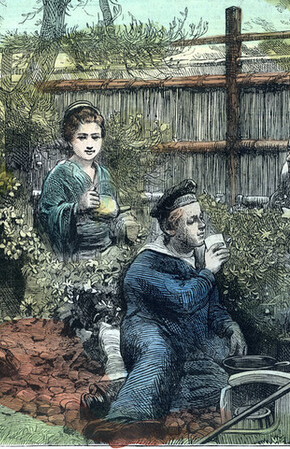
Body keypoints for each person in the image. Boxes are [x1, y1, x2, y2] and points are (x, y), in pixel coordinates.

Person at [98, 179, 247, 430]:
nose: (202, 225)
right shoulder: (147, 264)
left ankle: (115, 397)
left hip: (184, 345)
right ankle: (122, 422)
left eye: (201, 218)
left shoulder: (197, 258)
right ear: (170, 229)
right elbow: (184, 300)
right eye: (192, 221)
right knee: (160, 358)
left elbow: (210, 306)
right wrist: (208, 273)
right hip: (150, 338)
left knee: (218, 386)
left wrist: (230, 326)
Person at [38, 101, 137, 260]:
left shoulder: (104, 174)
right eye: (82, 137)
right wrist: (77, 207)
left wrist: (118, 216)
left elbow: (113, 216)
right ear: (70, 139)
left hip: (107, 251)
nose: (90, 144)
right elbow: (45, 215)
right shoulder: (60, 174)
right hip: (75, 256)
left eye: (95, 137)